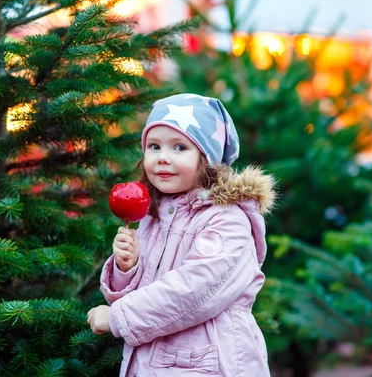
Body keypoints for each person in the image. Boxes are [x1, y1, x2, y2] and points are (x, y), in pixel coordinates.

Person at [87, 93, 276, 376]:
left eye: (179, 147)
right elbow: (148, 286)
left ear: (207, 158)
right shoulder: (155, 215)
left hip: (206, 364)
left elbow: (195, 290)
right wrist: (127, 267)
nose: (163, 158)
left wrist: (118, 318)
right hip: (156, 362)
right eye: (154, 146)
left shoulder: (226, 219)